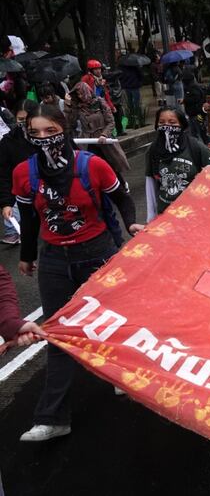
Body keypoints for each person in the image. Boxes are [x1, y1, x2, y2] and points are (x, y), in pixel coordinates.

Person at [14, 104, 143, 442]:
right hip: (54, 260)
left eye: (50, 131)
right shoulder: (24, 173)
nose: (43, 138)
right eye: (35, 132)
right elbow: (29, 219)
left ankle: (121, 375)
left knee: (110, 322)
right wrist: (27, 257)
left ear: (64, 130)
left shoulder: (92, 165)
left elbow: (122, 198)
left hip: (97, 253)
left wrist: (131, 224)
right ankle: (52, 418)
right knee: (58, 333)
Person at [145, 106, 210, 220]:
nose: (167, 127)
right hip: (165, 216)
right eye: (162, 123)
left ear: (182, 125)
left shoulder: (195, 146)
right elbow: (150, 185)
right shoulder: (153, 150)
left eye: (172, 122)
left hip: (194, 214)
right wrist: (151, 218)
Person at [0, 99, 37, 244]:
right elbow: (4, 175)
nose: (25, 123)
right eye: (20, 119)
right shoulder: (8, 143)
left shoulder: (52, 135)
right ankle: (14, 232)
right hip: (22, 192)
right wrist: (6, 203)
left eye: (28, 119)